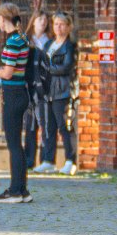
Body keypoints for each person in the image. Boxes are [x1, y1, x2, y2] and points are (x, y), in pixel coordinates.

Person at [0, 3, 34, 203]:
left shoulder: (13, 42)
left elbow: (8, 72)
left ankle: (15, 191)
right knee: (17, 144)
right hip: (19, 92)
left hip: (13, 95)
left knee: (13, 144)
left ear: (3, 19)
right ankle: (22, 189)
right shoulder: (21, 38)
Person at [39, 12, 79, 173]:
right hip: (47, 89)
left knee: (64, 126)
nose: (58, 27)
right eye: (56, 24)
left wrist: (48, 68)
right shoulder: (49, 44)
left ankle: (70, 160)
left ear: (69, 27)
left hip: (62, 90)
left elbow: (66, 66)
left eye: (62, 24)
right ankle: (49, 160)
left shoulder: (70, 46)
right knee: (48, 126)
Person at [26, 10, 52, 170]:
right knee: (29, 124)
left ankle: (45, 159)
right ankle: (29, 159)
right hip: (29, 86)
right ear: (33, 21)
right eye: (40, 19)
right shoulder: (27, 41)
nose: (43, 22)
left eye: (45, 20)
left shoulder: (49, 42)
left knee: (45, 123)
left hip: (44, 87)